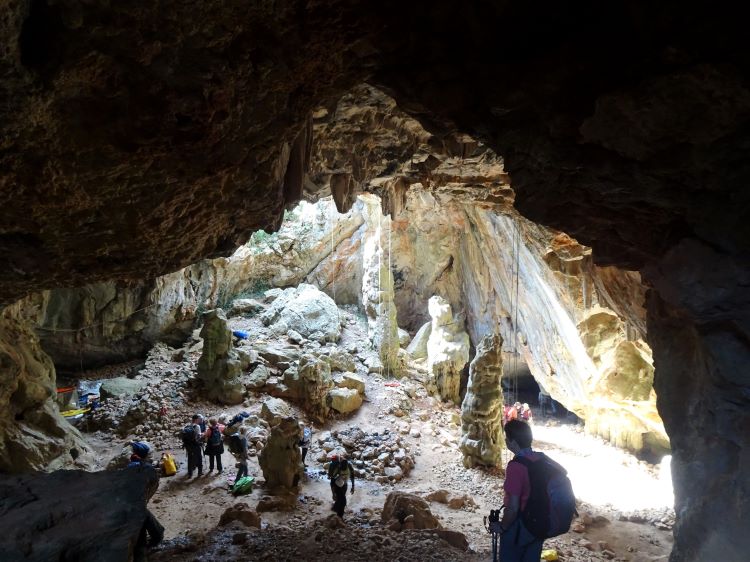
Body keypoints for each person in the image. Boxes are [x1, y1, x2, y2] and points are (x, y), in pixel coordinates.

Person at [500, 420, 544, 562]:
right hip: (539, 523)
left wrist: (502, 527)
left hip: (520, 525)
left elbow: (513, 507)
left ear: (512, 442)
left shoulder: (516, 466)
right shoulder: (540, 459)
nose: (505, 441)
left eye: (507, 438)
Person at [126, 442, 164, 561]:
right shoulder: (145, 467)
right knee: (141, 536)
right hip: (135, 505)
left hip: (128, 502)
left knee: (151, 526)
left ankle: (155, 538)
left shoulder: (130, 465)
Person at [328, 452, 355, 518]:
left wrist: (353, 487)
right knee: (343, 501)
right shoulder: (338, 466)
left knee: (340, 499)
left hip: (344, 483)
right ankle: (339, 516)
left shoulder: (349, 466)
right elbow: (332, 480)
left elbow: (352, 476)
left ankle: (335, 509)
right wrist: (333, 493)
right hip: (337, 485)